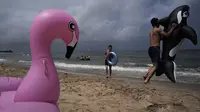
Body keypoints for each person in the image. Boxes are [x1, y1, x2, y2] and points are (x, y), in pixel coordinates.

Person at [143, 18, 178, 84]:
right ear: (157, 23)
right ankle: (147, 80)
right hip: (156, 49)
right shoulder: (158, 30)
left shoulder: (151, 31)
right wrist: (173, 27)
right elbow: (167, 35)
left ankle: (146, 75)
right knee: (156, 66)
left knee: (154, 65)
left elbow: (159, 39)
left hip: (150, 49)